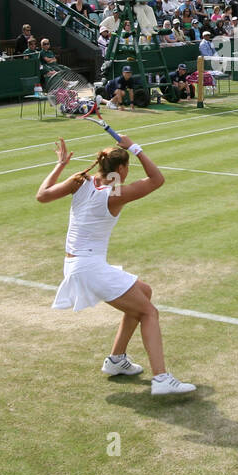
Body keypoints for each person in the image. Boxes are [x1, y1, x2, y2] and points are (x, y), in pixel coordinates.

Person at [37, 135, 195, 395]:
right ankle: (162, 378)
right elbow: (157, 180)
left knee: (143, 291)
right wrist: (135, 147)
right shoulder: (115, 195)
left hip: (76, 265)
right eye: (127, 168)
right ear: (121, 169)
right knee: (149, 312)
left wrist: (61, 165)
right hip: (88, 268)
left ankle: (116, 360)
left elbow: (42, 196)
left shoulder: (80, 182)